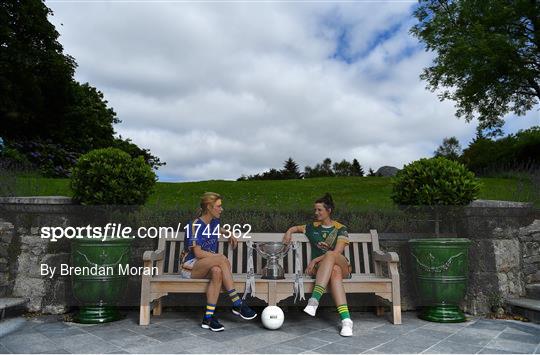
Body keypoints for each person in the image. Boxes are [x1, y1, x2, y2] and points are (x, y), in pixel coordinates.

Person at [181, 192, 257, 332]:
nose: (222, 209)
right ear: (209, 207)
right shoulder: (193, 225)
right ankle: (236, 302)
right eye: (219, 206)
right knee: (221, 259)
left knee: (217, 271)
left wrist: (227, 233)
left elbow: (214, 229)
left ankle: (208, 318)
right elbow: (197, 253)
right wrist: (215, 256)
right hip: (190, 265)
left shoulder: (215, 222)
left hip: (208, 264)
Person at [282, 193, 353, 337]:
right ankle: (346, 321)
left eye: (319, 210)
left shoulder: (341, 228)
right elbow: (296, 228)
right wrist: (289, 232)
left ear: (329, 210)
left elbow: (338, 252)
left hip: (342, 263)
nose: (316, 213)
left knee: (331, 255)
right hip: (321, 270)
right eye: (315, 210)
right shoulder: (312, 227)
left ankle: (314, 300)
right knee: (334, 271)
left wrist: (314, 260)